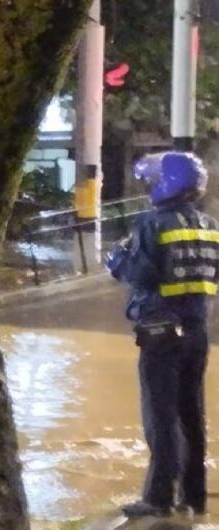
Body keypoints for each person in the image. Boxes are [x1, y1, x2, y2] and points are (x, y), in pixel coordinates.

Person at [107, 151, 218, 518]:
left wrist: (117, 260)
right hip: (197, 332)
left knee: (161, 417)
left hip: (160, 333)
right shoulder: (211, 227)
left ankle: (158, 499)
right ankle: (193, 497)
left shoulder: (153, 224)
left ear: (164, 184)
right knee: (191, 414)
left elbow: (139, 274)